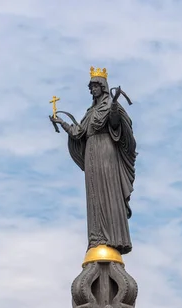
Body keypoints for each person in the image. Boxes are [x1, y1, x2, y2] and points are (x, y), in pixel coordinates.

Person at [50, 67, 137, 254]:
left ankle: (113, 237)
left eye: (95, 86)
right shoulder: (91, 111)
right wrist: (61, 123)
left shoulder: (109, 105)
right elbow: (79, 132)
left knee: (108, 191)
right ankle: (97, 237)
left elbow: (116, 124)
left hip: (106, 151)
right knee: (95, 194)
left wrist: (114, 106)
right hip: (91, 154)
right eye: (91, 87)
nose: (92, 90)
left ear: (103, 87)